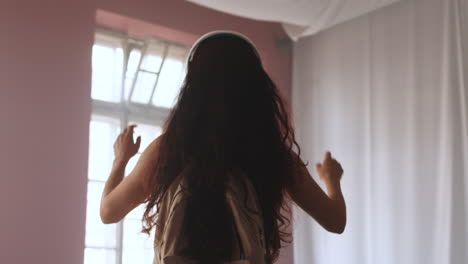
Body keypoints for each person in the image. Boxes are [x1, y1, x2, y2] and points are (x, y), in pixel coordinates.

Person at [99, 31, 346, 264]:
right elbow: (335, 221)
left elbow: (108, 212)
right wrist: (331, 179)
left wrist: (120, 160)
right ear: (256, 89)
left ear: (192, 88)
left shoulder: (168, 149)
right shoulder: (273, 155)